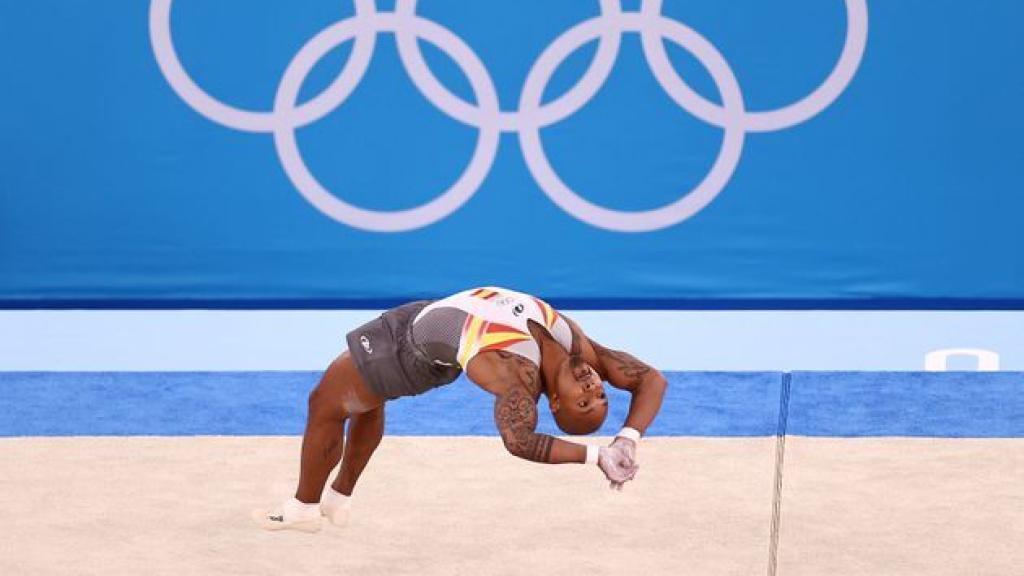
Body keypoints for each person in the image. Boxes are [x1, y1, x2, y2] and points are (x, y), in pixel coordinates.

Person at [253, 286, 668, 532]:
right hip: (427, 315)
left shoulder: (516, 375)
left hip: (409, 351)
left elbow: (519, 440)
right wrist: (628, 438)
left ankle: (304, 509)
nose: (593, 388)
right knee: (368, 398)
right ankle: (337, 499)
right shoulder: (582, 349)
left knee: (325, 402)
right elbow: (652, 379)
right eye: (600, 396)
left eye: (583, 402)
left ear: (554, 401)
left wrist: (596, 456)